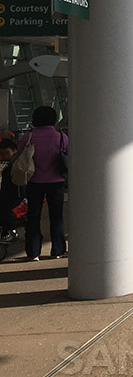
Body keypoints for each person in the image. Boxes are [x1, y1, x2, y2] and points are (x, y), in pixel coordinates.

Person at [16, 106, 67, 261]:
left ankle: (33, 252)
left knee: (33, 216)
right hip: (56, 181)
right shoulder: (60, 137)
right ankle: (58, 250)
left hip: (33, 181)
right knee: (56, 216)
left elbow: (19, 155)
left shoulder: (29, 137)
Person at [0, 137, 23, 245]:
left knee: (5, 208)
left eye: (7, 153)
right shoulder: (6, 165)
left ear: (14, 151)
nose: (5, 156)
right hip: (8, 195)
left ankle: (11, 232)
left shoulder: (16, 165)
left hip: (16, 195)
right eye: (3, 154)